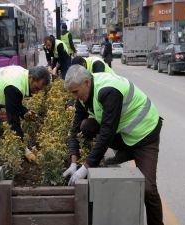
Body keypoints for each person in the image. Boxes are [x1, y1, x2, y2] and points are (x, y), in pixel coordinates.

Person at [63, 65, 164, 225]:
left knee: (147, 189)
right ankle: (124, 153)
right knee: (86, 126)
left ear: (87, 82)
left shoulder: (108, 91)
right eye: (71, 93)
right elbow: (75, 129)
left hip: (144, 134)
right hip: (124, 134)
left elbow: (107, 133)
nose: (74, 97)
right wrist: (74, 162)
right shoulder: (83, 96)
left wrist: (86, 167)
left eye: (75, 92)